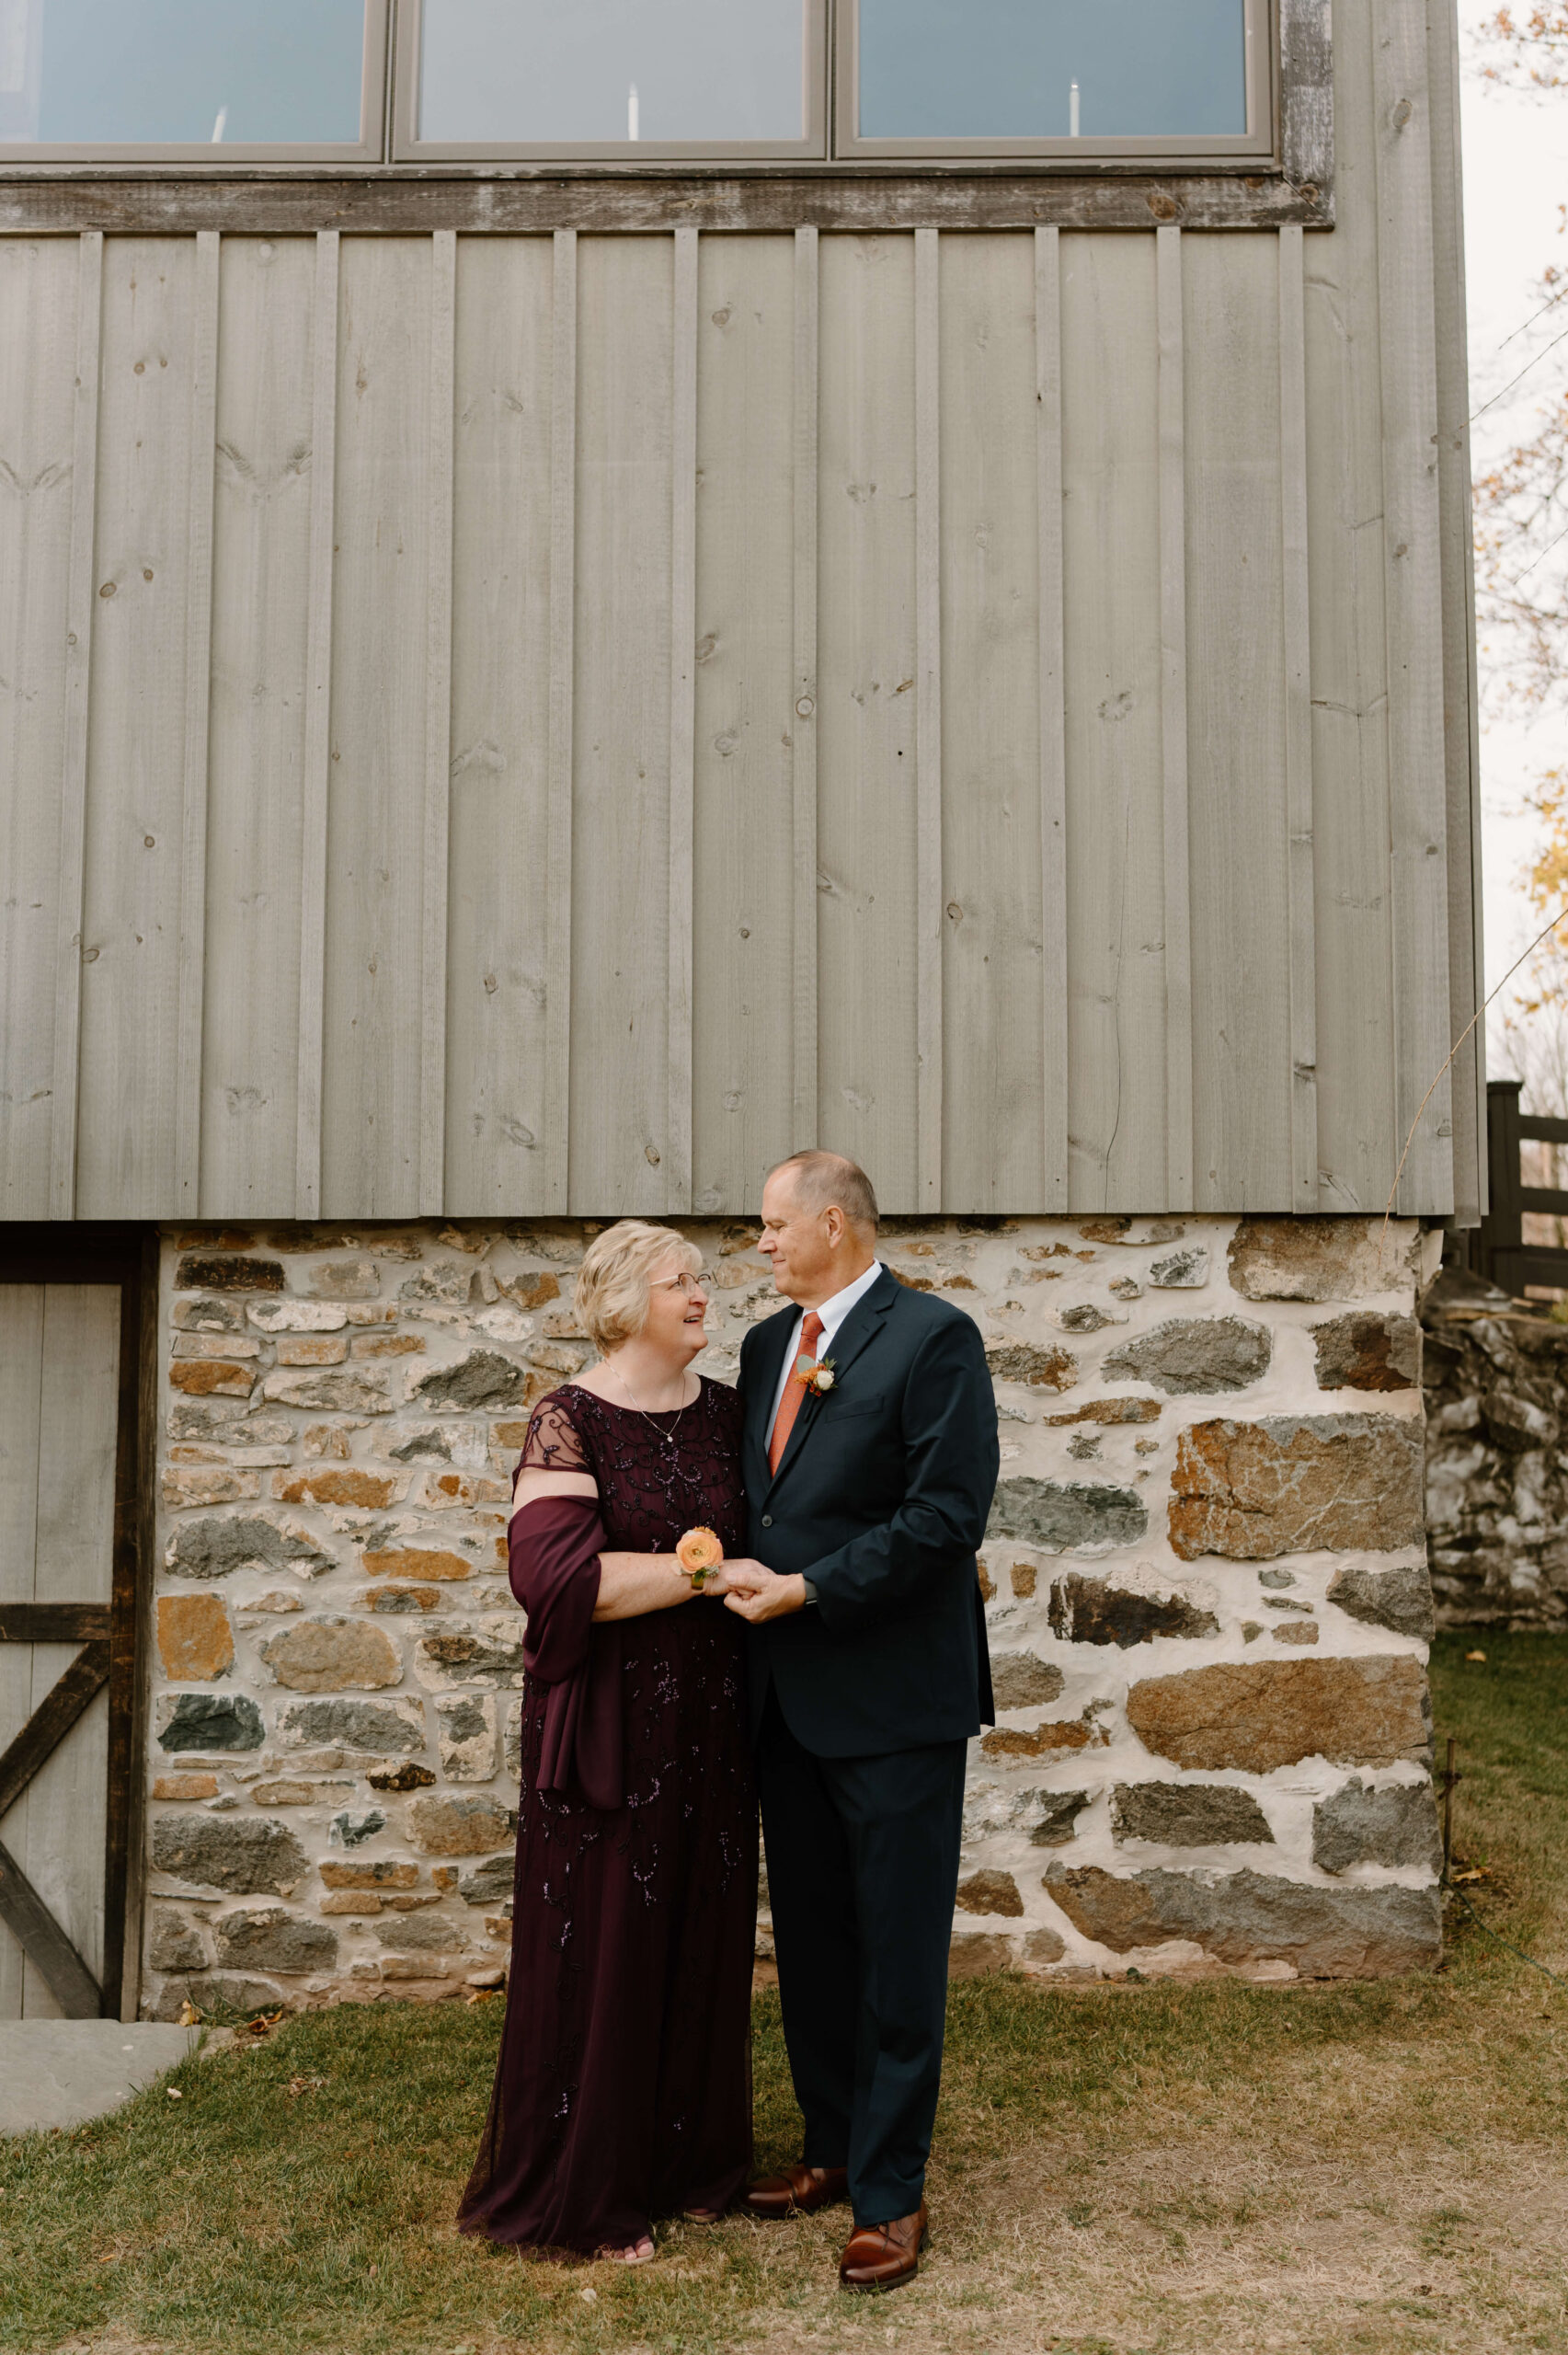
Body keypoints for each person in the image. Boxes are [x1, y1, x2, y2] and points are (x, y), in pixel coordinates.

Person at [721, 1152, 1000, 2292]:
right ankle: (829, 2148)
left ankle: (891, 2193)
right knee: (818, 1943)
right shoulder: (758, 1348)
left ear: (832, 1224)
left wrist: (814, 1589)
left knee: (895, 1953)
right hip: (785, 1699)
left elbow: (946, 1516)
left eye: (772, 1225)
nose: (759, 1245)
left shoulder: (934, 1339)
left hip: (892, 1702)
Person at [458, 1220, 756, 2264]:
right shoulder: (568, 1417)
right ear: (625, 1298)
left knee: (701, 1932)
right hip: (609, 1724)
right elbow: (557, 1582)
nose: (703, 1295)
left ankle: (692, 2163)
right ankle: (590, 2186)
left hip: (714, 1720)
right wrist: (704, 1571)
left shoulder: (728, 1414)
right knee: (608, 1944)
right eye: (683, 1281)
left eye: (704, 1280)